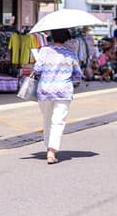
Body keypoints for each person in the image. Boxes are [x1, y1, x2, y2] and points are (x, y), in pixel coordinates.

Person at [34, 28, 83, 164]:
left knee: (47, 119)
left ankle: (48, 147)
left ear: (52, 36)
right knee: (58, 121)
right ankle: (51, 151)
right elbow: (78, 74)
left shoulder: (44, 50)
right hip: (63, 90)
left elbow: (37, 69)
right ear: (66, 38)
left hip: (45, 90)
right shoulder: (70, 53)